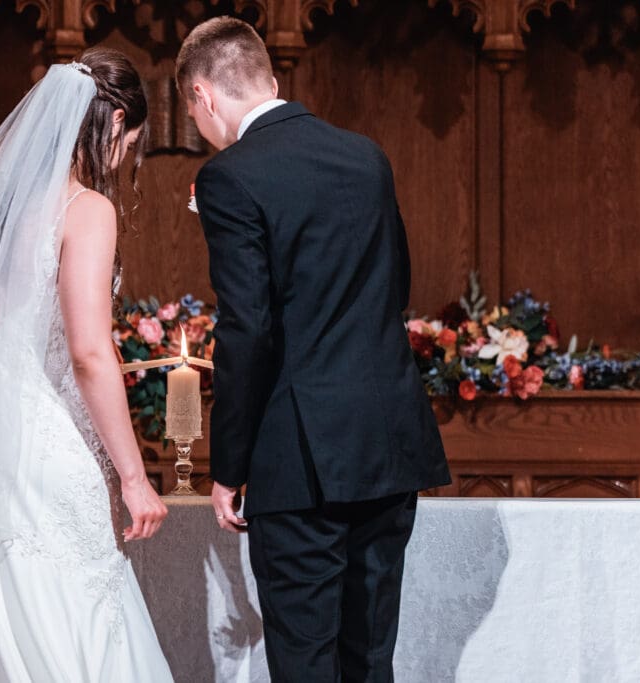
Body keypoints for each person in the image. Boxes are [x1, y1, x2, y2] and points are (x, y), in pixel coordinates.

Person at [176, 17, 451, 682]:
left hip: (300, 459)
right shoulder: (366, 157)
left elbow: (248, 330)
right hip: (387, 443)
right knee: (368, 658)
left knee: (304, 662)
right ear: (271, 79)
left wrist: (228, 464)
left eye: (193, 112)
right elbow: (394, 287)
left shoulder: (229, 178)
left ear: (204, 97)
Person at [0, 48, 173, 682]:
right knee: (69, 599)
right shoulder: (86, 210)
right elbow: (89, 352)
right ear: (115, 122)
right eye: (131, 142)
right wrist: (133, 476)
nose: (126, 156)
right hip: (46, 444)